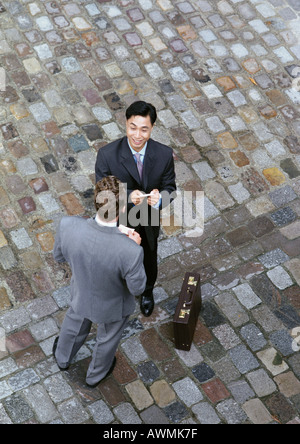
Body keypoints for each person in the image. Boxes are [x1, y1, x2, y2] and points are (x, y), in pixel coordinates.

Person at [52, 176, 146, 388]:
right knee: (107, 340)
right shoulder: (131, 250)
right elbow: (137, 288)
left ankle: (62, 358)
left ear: (95, 201)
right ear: (122, 210)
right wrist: (132, 243)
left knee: (73, 324)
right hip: (113, 305)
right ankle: (94, 376)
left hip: (80, 294)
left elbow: (59, 257)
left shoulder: (67, 226)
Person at [95, 101, 177, 317]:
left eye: (144, 129)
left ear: (152, 128)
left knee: (149, 257)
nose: (137, 135)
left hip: (148, 220)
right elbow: (101, 194)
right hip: (119, 221)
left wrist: (160, 200)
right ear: (125, 124)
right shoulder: (107, 155)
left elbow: (170, 188)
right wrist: (126, 195)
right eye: (133, 127)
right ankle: (117, 291)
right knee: (116, 260)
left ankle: (147, 291)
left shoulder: (164, 154)